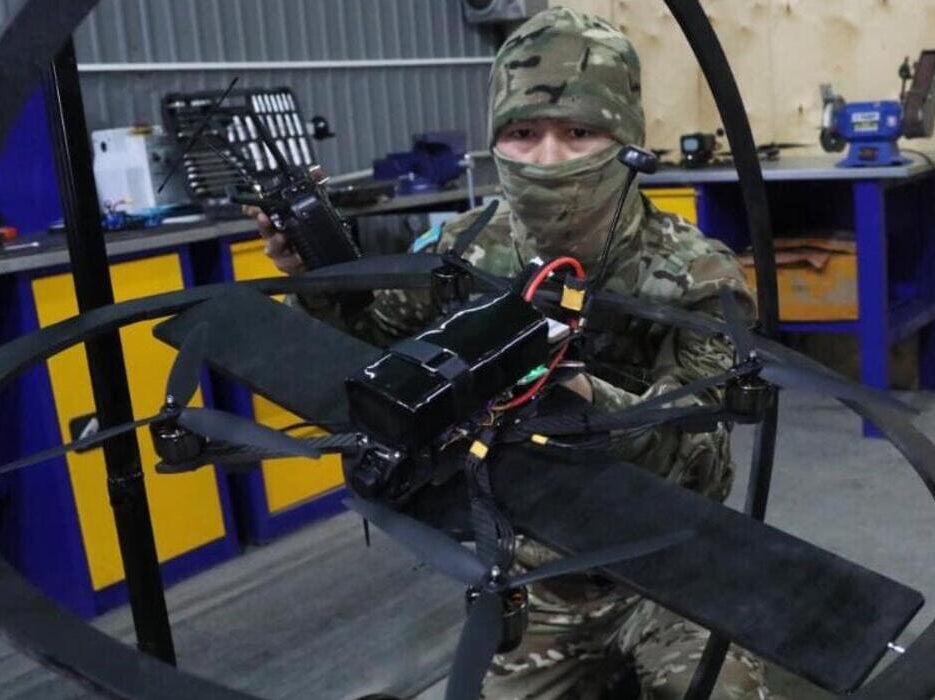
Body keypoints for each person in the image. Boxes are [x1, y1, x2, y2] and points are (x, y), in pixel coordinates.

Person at [249, 8, 778, 698]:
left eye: (579, 132)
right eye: (523, 133)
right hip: (541, 576)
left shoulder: (697, 275)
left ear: (627, 142)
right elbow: (377, 353)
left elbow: (703, 460)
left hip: (677, 563)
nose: (548, 159)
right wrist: (319, 279)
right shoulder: (465, 248)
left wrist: (581, 400)